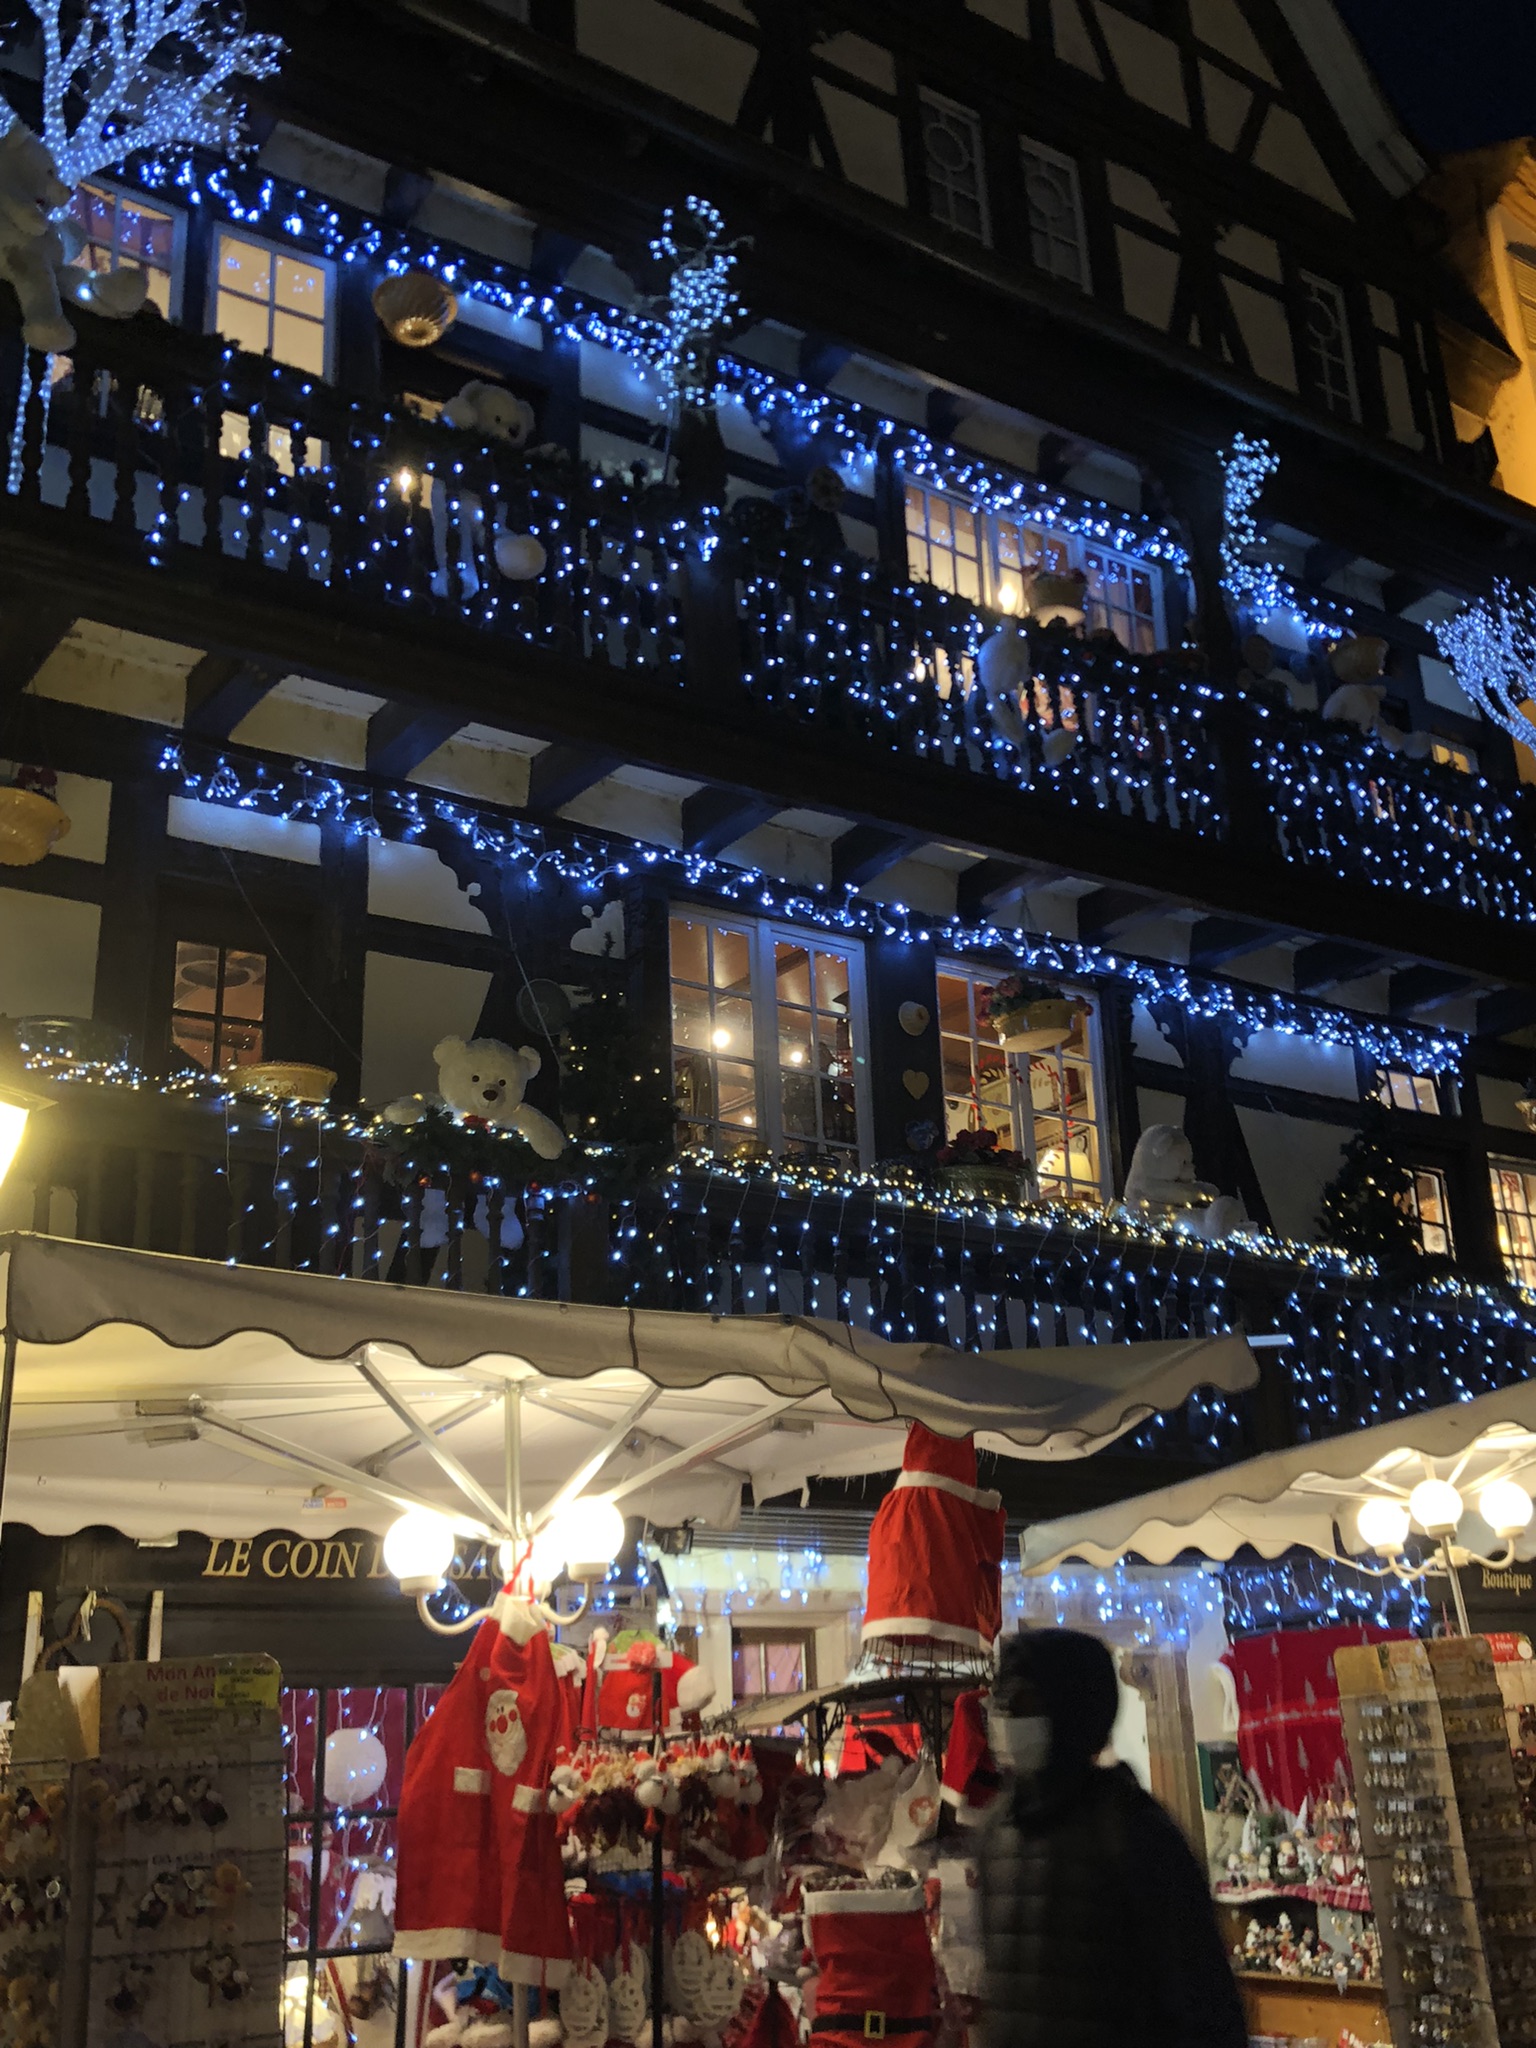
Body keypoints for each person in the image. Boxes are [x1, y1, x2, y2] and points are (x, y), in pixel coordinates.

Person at [976, 1627, 1248, 2048]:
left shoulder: (1132, 1833)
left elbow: (1203, 2001)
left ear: (1071, 1712)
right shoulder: (996, 1833)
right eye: (1002, 1706)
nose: (1008, 1721)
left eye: (1024, 1704)